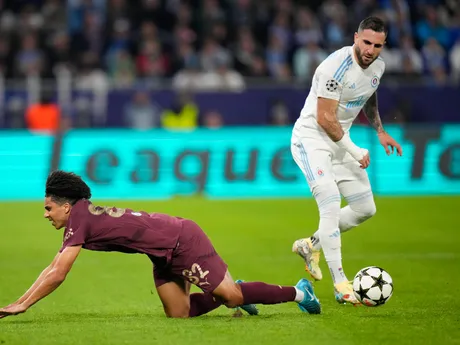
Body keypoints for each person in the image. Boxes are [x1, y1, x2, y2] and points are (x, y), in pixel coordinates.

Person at [0, 171, 321, 319]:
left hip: (182, 240)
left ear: (66, 206)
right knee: (179, 314)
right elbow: (52, 268)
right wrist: (18, 301)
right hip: (160, 253)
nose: (45, 214)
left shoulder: (78, 219)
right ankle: (228, 290)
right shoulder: (78, 217)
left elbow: (58, 273)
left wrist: (24, 305)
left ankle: (299, 291)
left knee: (234, 298)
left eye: (48, 208)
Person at [290, 17, 403, 305]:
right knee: (329, 200)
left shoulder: (378, 66)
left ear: (383, 45)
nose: (370, 50)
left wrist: (380, 130)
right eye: (366, 42)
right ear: (355, 37)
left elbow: (367, 93)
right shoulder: (332, 67)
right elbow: (325, 118)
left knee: (365, 208)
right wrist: (354, 150)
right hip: (312, 140)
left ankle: (311, 244)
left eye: (377, 45)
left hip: (341, 141)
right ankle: (341, 283)